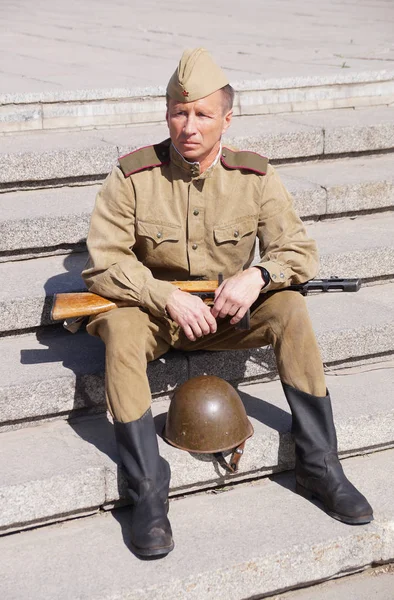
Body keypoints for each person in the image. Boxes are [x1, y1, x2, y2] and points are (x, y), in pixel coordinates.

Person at [82, 48, 373, 559]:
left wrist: (259, 275)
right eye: (178, 112)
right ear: (166, 113)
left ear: (226, 119)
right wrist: (163, 295)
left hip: (227, 315)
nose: (188, 126)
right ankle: (148, 489)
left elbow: (299, 252)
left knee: (291, 310)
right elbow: (105, 263)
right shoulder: (132, 176)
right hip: (158, 318)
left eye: (202, 114)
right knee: (121, 330)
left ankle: (320, 463)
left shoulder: (254, 177)